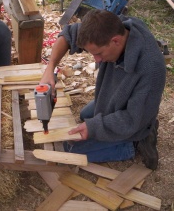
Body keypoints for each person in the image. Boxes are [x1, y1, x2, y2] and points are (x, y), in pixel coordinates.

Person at [40, 9, 166, 170]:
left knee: (68, 150)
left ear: (115, 41)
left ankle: (136, 142)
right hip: (117, 100)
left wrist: (94, 127)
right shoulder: (111, 27)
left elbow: (132, 119)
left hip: (135, 119)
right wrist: (50, 68)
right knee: (86, 116)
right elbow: (68, 34)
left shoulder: (151, 68)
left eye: (98, 53)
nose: (96, 60)